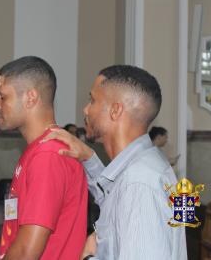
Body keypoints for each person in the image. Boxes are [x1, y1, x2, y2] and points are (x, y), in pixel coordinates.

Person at [44, 65, 187, 260]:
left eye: (92, 100)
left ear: (115, 110)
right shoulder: (140, 166)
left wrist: (87, 257)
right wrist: (89, 158)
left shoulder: (139, 184)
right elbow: (115, 203)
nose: (85, 109)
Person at [0, 56, 87, 260]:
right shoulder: (39, 150)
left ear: (30, 97)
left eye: (2, 96)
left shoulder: (48, 155)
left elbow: (28, 251)